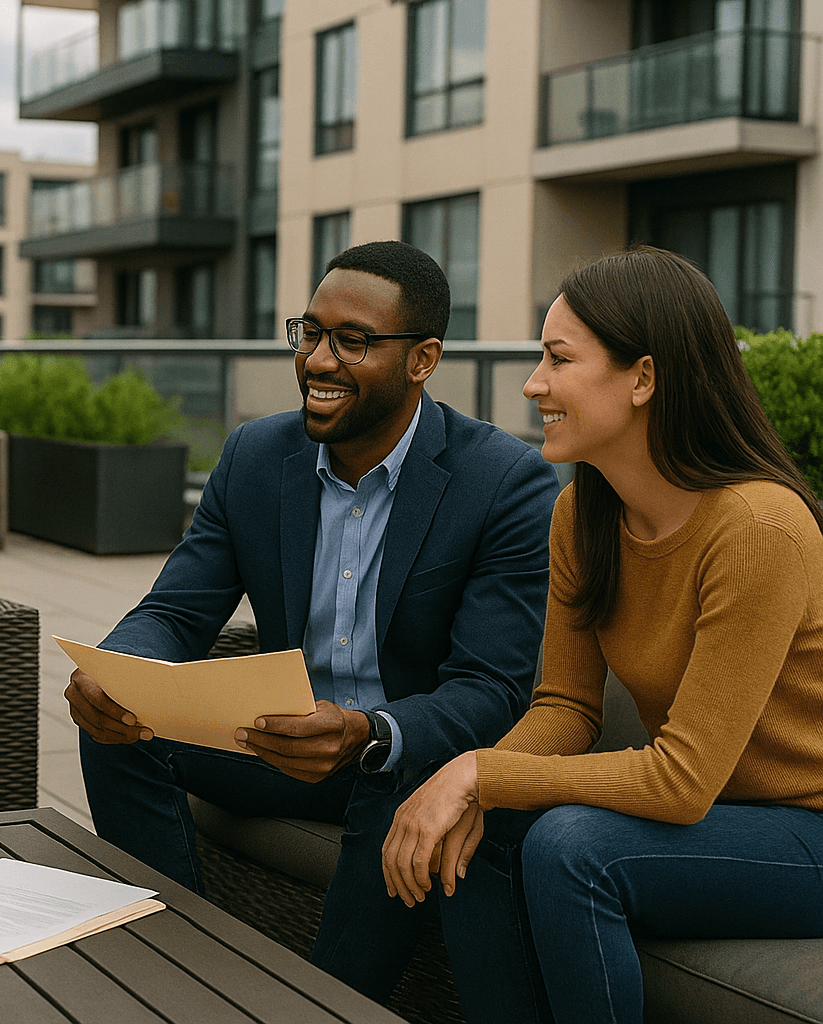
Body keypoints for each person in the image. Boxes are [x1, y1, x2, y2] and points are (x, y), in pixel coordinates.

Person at [67, 240, 560, 1001]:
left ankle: (327, 1003)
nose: (318, 362)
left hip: (396, 757)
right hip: (279, 741)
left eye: (353, 342)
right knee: (119, 730)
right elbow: (174, 609)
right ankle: (174, 972)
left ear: (423, 359)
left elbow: (492, 688)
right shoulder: (257, 456)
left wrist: (370, 733)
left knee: (403, 777)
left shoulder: (503, 482)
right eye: (310, 333)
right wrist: (117, 671)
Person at [383, 246, 823, 1024]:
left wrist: (479, 770)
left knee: (572, 846)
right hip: (720, 817)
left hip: (806, 832)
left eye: (558, 359)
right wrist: (470, 785)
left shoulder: (760, 527)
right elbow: (567, 707)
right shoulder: (582, 518)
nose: (533, 384)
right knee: (480, 832)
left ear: (644, 378)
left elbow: (683, 780)